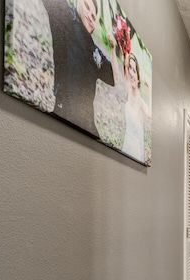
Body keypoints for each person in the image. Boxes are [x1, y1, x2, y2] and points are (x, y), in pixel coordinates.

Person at [41, 0, 119, 138]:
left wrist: (113, 49)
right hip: (65, 114)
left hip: (88, 125)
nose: (90, 15)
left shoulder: (95, 52)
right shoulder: (66, 20)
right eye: (87, 7)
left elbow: (114, 78)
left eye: (94, 16)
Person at [121, 52, 151, 163]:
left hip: (135, 151)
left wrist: (150, 89)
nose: (131, 74)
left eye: (134, 71)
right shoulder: (127, 91)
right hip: (126, 146)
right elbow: (121, 74)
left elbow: (149, 114)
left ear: (138, 78)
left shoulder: (140, 102)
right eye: (130, 69)